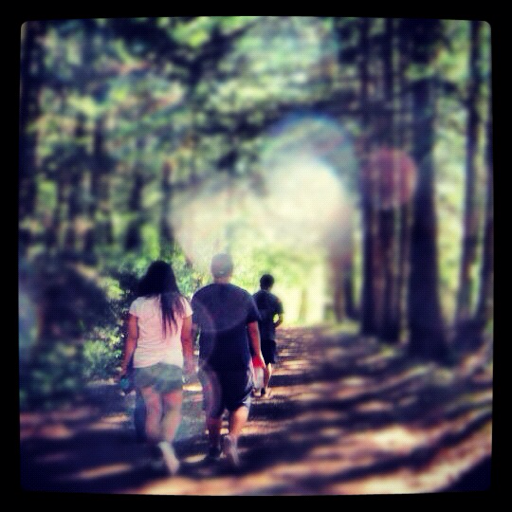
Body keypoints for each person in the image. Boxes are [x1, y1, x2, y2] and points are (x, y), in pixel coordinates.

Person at [119, 260, 194, 476]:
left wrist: (124, 367)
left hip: (145, 364)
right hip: (171, 363)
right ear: (172, 279)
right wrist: (189, 362)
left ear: (148, 278)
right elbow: (186, 338)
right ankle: (166, 444)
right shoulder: (181, 303)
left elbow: (131, 339)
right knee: (173, 410)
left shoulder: (138, 305)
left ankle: (154, 458)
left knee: (153, 411)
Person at [191, 253, 265, 468]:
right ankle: (231, 439)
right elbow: (253, 329)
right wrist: (257, 354)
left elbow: (192, 330)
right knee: (241, 401)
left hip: (209, 359)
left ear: (212, 270)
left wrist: (188, 353)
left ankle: (213, 449)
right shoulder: (243, 296)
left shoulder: (200, 296)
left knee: (213, 406)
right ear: (231, 271)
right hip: (238, 358)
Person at [252, 274, 284, 397]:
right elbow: (281, 319)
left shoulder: (252, 298)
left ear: (260, 283)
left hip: (253, 335)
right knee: (267, 362)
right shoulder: (276, 299)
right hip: (268, 335)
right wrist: (272, 326)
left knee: (253, 361)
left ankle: (254, 388)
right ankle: (264, 388)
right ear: (272, 285)